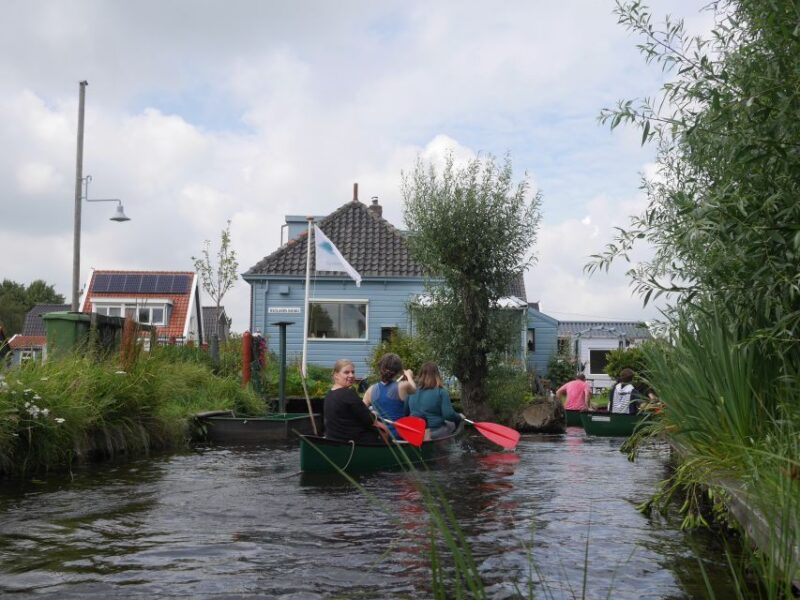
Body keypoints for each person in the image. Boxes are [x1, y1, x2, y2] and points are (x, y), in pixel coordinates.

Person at [324, 359, 390, 444]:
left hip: (334, 440)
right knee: (384, 430)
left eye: (353, 372)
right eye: (346, 372)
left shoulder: (329, 394)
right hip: (352, 442)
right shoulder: (348, 393)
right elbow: (369, 419)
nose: (351, 375)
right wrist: (383, 427)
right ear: (336, 375)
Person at [363, 353, 416, 438]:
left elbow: (361, 411)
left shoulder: (370, 390)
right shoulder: (403, 386)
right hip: (398, 436)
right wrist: (409, 376)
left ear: (380, 368)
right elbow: (414, 389)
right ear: (397, 371)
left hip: (380, 436)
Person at [405, 362, 462, 440]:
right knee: (452, 424)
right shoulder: (441, 392)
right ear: (437, 375)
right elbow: (448, 415)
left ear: (421, 374)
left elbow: (405, 412)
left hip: (415, 431)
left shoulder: (411, 391)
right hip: (434, 432)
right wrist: (459, 417)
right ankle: (450, 444)